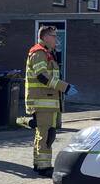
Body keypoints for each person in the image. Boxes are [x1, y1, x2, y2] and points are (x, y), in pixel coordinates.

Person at [23, 25, 72, 176]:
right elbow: (42, 76)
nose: (56, 39)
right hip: (41, 101)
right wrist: (65, 87)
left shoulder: (47, 53)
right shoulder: (39, 52)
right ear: (45, 37)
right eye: (53, 36)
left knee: (45, 134)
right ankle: (44, 167)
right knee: (45, 135)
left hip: (48, 102)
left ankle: (39, 164)